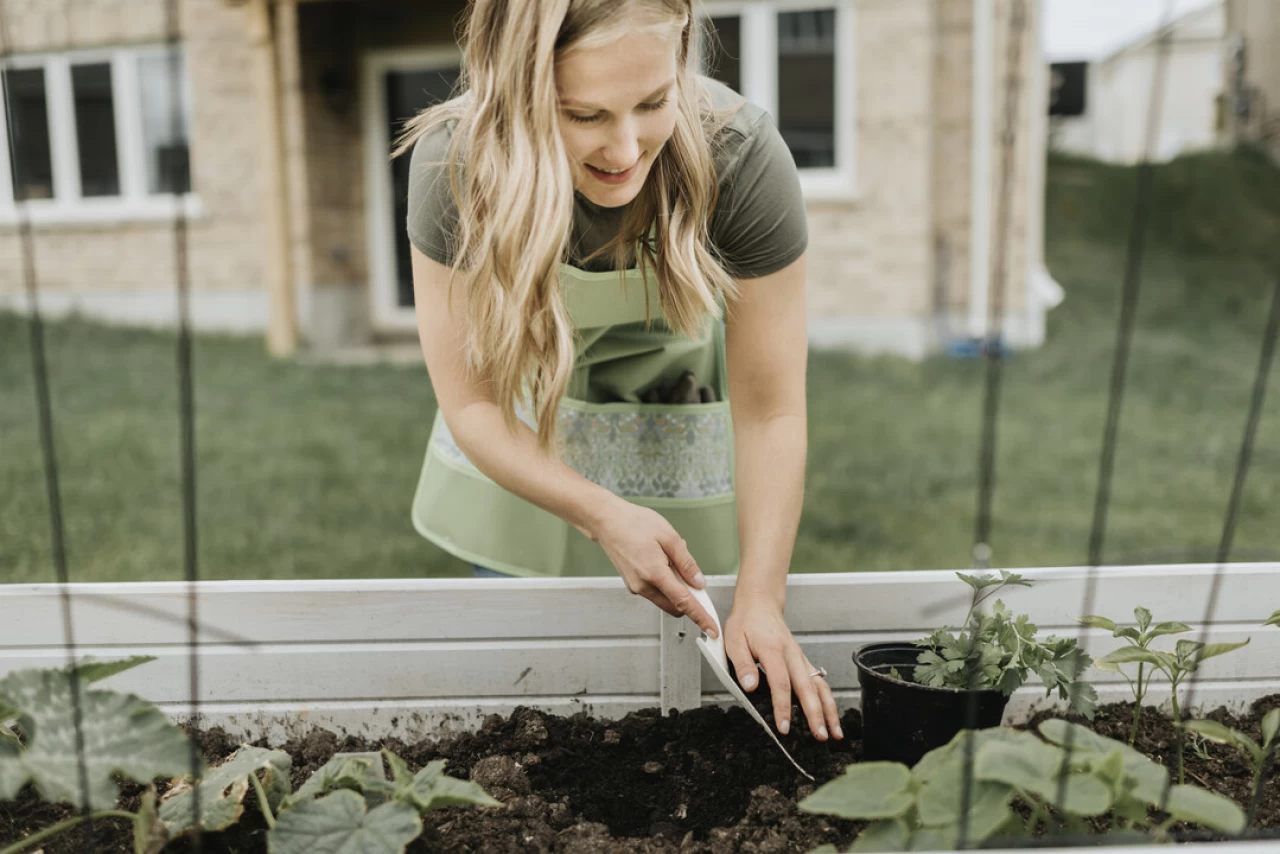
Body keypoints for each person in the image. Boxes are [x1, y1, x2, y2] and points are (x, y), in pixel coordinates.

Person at [394, 0, 841, 743]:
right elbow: (473, 406)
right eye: (583, 115)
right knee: (524, 716)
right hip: (522, 446)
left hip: (676, 420)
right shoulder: (457, 166)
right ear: (516, 95)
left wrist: (762, 599)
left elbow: (771, 412)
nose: (627, 149)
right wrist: (599, 512)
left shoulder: (740, 159)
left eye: (655, 102)